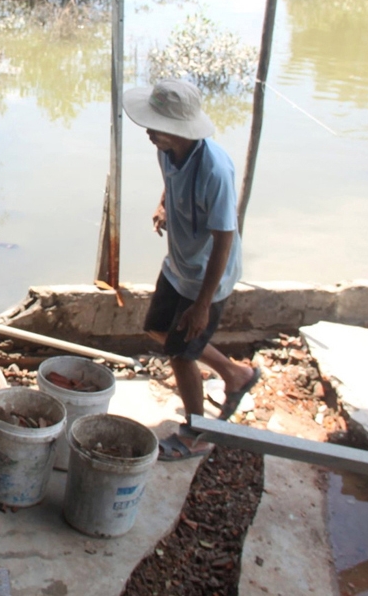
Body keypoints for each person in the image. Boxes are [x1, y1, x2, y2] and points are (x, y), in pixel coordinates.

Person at [123, 78, 261, 461]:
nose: (149, 132)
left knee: (181, 355)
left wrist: (201, 305)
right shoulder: (166, 150)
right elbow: (170, 180)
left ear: (179, 129)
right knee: (157, 327)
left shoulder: (214, 171)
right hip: (178, 264)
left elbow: (224, 239)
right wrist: (163, 204)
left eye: (156, 126)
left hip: (207, 279)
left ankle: (197, 433)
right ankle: (235, 375)